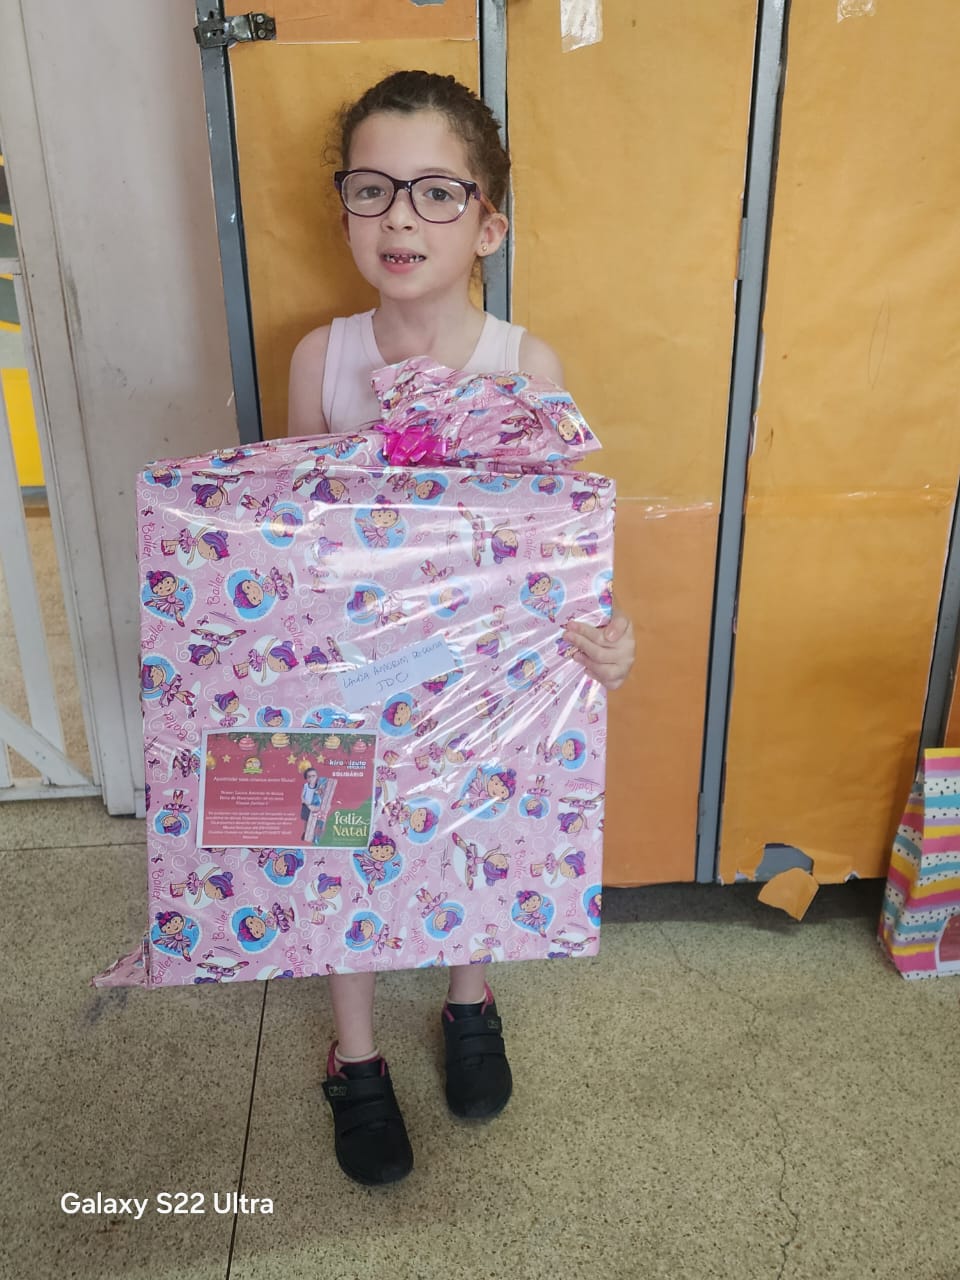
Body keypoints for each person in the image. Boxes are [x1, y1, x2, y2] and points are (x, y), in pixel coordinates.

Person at [287, 70, 636, 1188]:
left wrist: (604, 636)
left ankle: (468, 997)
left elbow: (557, 557)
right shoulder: (323, 358)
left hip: (476, 679)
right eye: (374, 189)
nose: (401, 218)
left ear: (488, 223)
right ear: (346, 209)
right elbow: (291, 538)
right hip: (350, 668)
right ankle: (355, 1052)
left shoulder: (525, 367)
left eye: (437, 193)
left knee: (475, 820)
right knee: (335, 839)